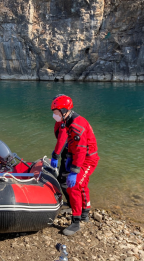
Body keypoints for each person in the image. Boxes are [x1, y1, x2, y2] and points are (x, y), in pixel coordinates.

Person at [51, 95, 100, 236]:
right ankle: (85, 212)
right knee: (82, 185)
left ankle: (76, 222)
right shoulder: (68, 120)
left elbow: (81, 149)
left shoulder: (76, 126)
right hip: (79, 156)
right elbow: (68, 143)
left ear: (65, 111)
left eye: (56, 113)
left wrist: (74, 171)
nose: (54, 115)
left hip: (87, 160)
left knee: (74, 186)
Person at [50, 94, 71, 210]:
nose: (54, 114)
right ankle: (72, 203)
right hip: (66, 152)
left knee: (63, 179)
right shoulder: (63, 119)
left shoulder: (65, 123)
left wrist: (55, 156)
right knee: (63, 178)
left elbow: (62, 140)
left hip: (69, 153)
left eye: (56, 110)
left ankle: (73, 205)